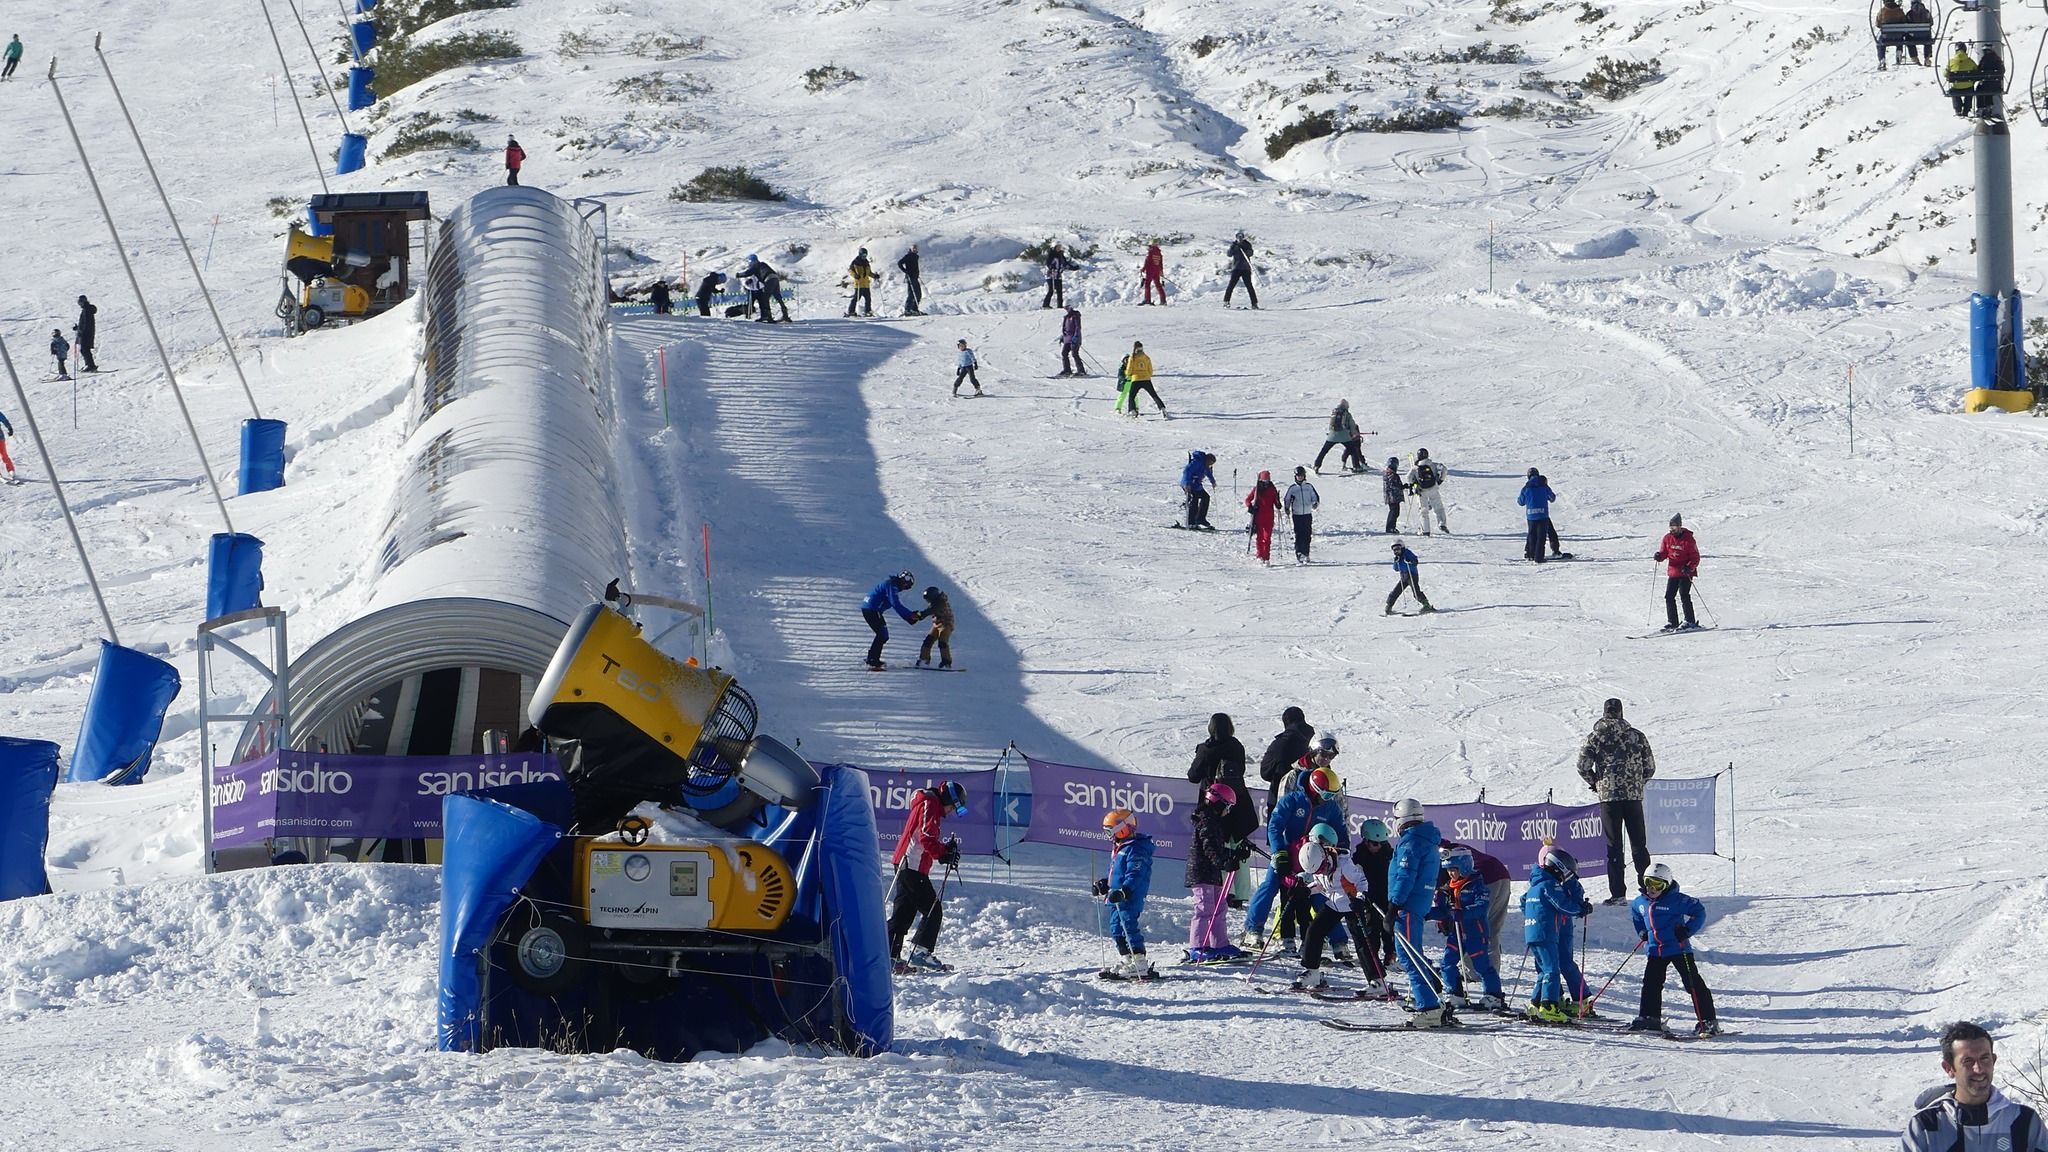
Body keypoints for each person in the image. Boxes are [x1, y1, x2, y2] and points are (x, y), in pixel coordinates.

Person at [1904, 1022, 2048, 1150]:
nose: (1978, 1069)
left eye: (1985, 1058)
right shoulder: (1925, 1126)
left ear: (1994, 1060)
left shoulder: (2024, 1122)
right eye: (1968, 1061)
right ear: (1949, 1068)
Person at [1578, 696, 1657, 904]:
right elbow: (1650, 766)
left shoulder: (1595, 737)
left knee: (1614, 846)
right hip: (1632, 797)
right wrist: (1638, 782)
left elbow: (1582, 765)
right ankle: (1648, 890)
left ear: (1604, 712)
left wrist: (1595, 782)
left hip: (1608, 798)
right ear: (1621, 712)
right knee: (1639, 845)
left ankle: (1618, 894)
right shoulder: (1636, 736)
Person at [1627, 862, 1719, 1035]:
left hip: (1678, 948)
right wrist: (1642, 932)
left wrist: (1687, 930)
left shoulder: (1677, 900)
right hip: (1655, 950)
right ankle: (1649, 1017)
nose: (1652, 889)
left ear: (1667, 885)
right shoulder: (1640, 902)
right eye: (1648, 883)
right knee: (1651, 984)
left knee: (1692, 983)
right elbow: (1636, 915)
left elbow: (1699, 911)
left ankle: (1707, 1021)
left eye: (1657, 885)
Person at [1293, 824, 1386, 993]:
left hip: (1351, 903)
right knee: (1314, 931)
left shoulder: (1344, 863)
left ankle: (1378, 981)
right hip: (1334, 904)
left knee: (1362, 943)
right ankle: (1313, 972)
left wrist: (1359, 899)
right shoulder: (1316, 860)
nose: (1321, 871)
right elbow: (1322, 885)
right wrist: (1307, 890)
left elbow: (1362, 882)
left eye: (1322, 868)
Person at [888, 780, 967, 972]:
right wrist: (943, 854)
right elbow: (926, 836)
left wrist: (944, 849)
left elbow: (925, 837)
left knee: (904, 913)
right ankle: (920, 952)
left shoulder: (929, 804)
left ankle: (889, 955)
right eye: (952, 807)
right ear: (948, 799)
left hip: (910, 864)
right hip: (911, 864)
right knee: (933, 909)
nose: (949, 812)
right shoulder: (930, 804)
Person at [1386, 798, 1447, 1027]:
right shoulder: (1426, 839)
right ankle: (1430, 997)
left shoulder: (1411, 842)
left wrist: (1394, 905)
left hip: (1408, 906)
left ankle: (1429, 1007)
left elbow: (1405, 875)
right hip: (1417, 905)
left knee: (1409, 956)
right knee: (1414, 953)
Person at [1430, 846, 1506, 1011]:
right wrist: (1425, 913)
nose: (1451, 874)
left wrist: (1463, 912)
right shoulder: (1447, 888)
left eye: (1454, 870)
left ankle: (1493, 996)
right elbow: (1444, 911)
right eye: (1448, 870)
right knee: (1447, 963)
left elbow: (1481, 906)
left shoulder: (1477, 884)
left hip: (1475, 932)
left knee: (1481, 965)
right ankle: (1455, 993)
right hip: (1455, 932)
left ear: (1464, 866)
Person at [1520, 844, 1590, 1022]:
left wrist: (1534, 916)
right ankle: (1549, 1006)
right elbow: (1562, 905)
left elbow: (1525, 903)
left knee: (1545, 970)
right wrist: (1580, 909)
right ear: (1558, 867)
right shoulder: (1549, 885)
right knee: (1552, 970)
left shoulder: (1536, 885)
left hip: (1535, 932)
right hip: (1546, 932)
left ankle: (1536, 1003)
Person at [1183, 782, 1249, 963]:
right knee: (1204, 908)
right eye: (1227, 806)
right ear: (1217, 802)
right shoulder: (1206, 820)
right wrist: (1224, 861)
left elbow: (1217, 848)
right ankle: (1197, 946)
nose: (1228, 811)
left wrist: (1233, 854)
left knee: (1219, 908)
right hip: (1202, 872)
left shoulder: (1214, 821)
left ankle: (1219, 944)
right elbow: (1209, 848)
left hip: (1213, 871)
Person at [1094, 807, 1157, 979]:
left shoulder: (1136, 849)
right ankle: (1127, 959)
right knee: (1115, 928)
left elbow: (1135, 873)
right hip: (1116, 895)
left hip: (1130, 895)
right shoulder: (1120, 846)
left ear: (1122, 829)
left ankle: (1139, 961)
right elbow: (1116, 872)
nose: (1109, 837)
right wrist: (1105, 885)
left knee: (1128, 925)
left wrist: (1125, 890)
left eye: (1110, 832)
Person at [1441, 840, 1513, 978]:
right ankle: (1491, 970)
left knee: (1472, 925)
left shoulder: (1446, 858)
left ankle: (1472, 971)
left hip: (1485, 880)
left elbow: (1446, 887)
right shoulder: (1456, 849)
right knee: (1492, 927)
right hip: (1502, 874)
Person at [1351, 818, 1397, 979]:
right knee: (1372, 928)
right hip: (1369, 898)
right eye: (1374, 843)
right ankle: (1373, 957)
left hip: (1387, 895)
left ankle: (1390, 954)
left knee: (1388, 927)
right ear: (1365, 841)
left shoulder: (1389, 854)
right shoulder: (1359, 857)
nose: (1378, 847)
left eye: (1381, 843)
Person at [860, 570, 919, 670]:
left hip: (872, 609)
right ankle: (872, 660)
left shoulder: (892, 585)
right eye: (906, 585)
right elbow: (895, 604)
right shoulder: (892, 585)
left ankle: (872, 659)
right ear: (903, 581)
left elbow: (893, 603)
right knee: (882, 635)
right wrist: (909, 616)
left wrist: (909, 616)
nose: (904, 588)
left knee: (883, 635)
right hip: (872, 609)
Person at [1654, 513, 1701, 631]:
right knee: (1669, 596)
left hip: (1686, 572)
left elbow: (1695, 557)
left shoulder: (1688, 539)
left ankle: (1690, 621)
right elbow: (1665, 552)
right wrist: (1659, 556)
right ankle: (1673, 621)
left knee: (1684, 595)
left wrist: (1690, 567)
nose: (1672, 530)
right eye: (1670, 528)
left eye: (1674, 528)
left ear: (1680, 527)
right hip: (1673, 572)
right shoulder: (1667, 538)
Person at [1386, 538, 1436, 615]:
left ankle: (1426, 605)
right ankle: (1388, 606)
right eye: (1394, 550)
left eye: (1398, 549)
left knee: (1416, 592)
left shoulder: (1407, 552)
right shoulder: (1397, 558)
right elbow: (1396, 569)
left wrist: (1411, 561)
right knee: (1396, 591)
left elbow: (1415, 560)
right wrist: (1396, 562)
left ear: (1402, 547)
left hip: (1412, 574)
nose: (1396, 551)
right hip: (1404, 576)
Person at [1518, 468, 1556, 562]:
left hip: (1531, 516)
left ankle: (1530, 555)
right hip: (1543, 515)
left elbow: (1520, 502)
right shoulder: (1544, 486)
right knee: (1541, 537)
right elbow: (1552, 498)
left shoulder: (1526, 488)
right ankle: (1539, 558)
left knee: (1532, 535)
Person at [1314, 400, 1363, 474]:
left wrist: (1330, 433)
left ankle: (1317, 465)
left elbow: (1331, 424)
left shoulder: (1334, 412)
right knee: (1353, 451)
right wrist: (1353, 433)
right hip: (1344, 436)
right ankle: (1356, 467)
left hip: (1332, 436)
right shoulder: (1347, 414)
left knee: (1324, 451)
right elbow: (1352, 425)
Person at [1408, 448, 1449, 535]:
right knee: (1438, 507)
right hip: (1433, 488)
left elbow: (1409, 477)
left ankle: (1425, 530)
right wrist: (1440, 480)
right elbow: (1444, 469)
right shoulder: (1433, 465)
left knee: (1423, 511)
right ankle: (1442, 524)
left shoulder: (1415, 467)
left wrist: (1414, 484)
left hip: (1422, 491)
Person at [1283, 466, 1319, 564]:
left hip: (1307, 513)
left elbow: (1314, 496)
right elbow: (1287, 499)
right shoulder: (1293, 488)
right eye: (1298, 476)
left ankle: (1306, 553)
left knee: (1307, 534)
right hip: (1297, 514)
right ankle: (1299, 553)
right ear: (1295, 476)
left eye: (1302, 476)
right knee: (1299, 534)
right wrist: (1287, 508)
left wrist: (1315, 503)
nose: (1300, 477)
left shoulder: (1308, 486)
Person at [1245, 470, 1281, 565]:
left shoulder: (1272, 489)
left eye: (1267, 480)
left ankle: (1266, 557)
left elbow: (1276, 502)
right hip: (1259, 516)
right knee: (1260, 537)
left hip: (1269, 517)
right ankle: (1260, 555)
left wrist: (1278, 503)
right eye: (1264, 480)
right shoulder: (1257, 490)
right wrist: (1250, 506)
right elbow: (1248, 499)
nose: (1266, 483)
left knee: (1267, 538)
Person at [914, 585, 954, 669]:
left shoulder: (941, 602)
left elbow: (931, 610)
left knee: (942, 641)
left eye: (928, 598)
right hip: (937, 624)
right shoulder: (935, 602)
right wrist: (918, 615)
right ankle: (924, 660)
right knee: (928, 641)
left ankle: (946, 662)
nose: (928, 601)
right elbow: (930, 609)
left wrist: (922, 615)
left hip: (946, 624)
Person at [1121, 341, 1164, 415]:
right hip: (1146, 379)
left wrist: (1128, 374)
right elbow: (1150, 370)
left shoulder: (1132, 358)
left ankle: (1132, 410)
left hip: (1136, 379)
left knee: (1132, 396)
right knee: (1154, 395)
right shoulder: (1146, 357)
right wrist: (1148, 375)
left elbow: (1129, 370)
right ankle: (1162, 408)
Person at [1180, 450, 1216, 528]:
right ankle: (1190, 522)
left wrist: (1213, 482)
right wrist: (1187, 484)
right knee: (1194, 500)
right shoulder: (1197, 462)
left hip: (1196, 485)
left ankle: (1200, 519)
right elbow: (1187, 471)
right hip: (1188, 484)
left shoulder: (1205, 465)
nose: (1210, 465)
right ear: (1207, 460)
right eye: (1210, 463)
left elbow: (1208, 473)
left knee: (1206, 497)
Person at [1224, 230, 1258, 309]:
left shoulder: (1247, 244)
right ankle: (1226, 302)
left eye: (1241, 236)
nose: (1240, 238)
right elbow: (1229, 254)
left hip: (1246, 268)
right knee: (1231, 285)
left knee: (1249, 286)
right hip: (1236, 268)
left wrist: (1245, 249)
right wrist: (1236, 248)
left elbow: (1251, 253)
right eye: (1238, 236)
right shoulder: (1234, 244)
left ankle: (1254, 303)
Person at [1947, 43, 1978, 116]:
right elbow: (1976, 70)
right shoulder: (1970, 61)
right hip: (1968, 87)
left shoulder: (1951, 61)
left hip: (1956, 87)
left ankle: (1958, 109)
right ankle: (1966, 110)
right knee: (1970, 90)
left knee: (1954, 91)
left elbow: (1946, 73)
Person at [1875, 0, 1908, 68]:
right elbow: (1905, 22)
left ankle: (1882, 59)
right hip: (1898, 37)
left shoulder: (1882, 11)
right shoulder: (1899, 11)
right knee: (1900, 38)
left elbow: (1878, 24)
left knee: (1880, 42)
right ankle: (1899, 52)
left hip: (1886, 37)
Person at [846, 248, 876, 317]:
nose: (864, 256)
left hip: (866, 284)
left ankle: (868, 311)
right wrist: (855, 275)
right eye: (863, 254)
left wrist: (874, 276)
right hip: (859, 284)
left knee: (868, 299)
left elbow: (869, 273)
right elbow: (850, 270)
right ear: (860, 254)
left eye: (865, 255)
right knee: (856, 298)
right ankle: (851, 311)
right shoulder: (855, 262)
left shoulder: (866, 262)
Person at [1976, 45, 2004, 116]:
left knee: (1980, 89)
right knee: (1989, 90)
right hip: (1996, 85)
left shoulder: (1984, 60)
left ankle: (1981, 107)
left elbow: (1979, 70)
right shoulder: (1997, 59)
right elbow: (2002, 70)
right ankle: (1989, 106)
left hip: (1986, 84)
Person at [73, 296, 97, 374]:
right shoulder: (86, 309)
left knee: (84, 349)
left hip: (86, 334)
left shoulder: (86, 310)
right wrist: (78, 327)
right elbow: (84, 323)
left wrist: (81, 330)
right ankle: (89, 365)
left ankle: (90, 365)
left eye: (80, 302)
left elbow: (86, 323)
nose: (79, 304)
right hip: (86, 333)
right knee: (84, 349)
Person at [897, 244, 924, 315]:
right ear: (911, 249)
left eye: (916, 248)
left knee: (918, 293)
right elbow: (899, 263)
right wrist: (906, 271)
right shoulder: (908, 256)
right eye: (913, 248)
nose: (915, 250)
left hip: (915, 277)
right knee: (911, 294)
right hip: (910, 277)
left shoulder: (915, 256)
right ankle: (907, 309)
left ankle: (914, 309)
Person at [1380, 456, 1405, 533]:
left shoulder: (1388, 473)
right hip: (1393, 496)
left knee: (1394, 511)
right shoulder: (1392, 474)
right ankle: (1390, 528)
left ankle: (1391, 527)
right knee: (1394, 512)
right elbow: (1393, 484)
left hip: (1391, 496)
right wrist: (1402, 486)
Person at [1058, 306, 1084, 376]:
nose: (1067, 309)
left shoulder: (1075, 316)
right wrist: (1063, 337)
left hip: (1075, 339)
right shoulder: (1066, 317)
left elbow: (1078, 327)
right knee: (1064, 353)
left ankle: (1081, 371)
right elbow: (1065, 328)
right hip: (1067, 339)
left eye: (1068, 307)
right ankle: (1067, 370)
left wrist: (1076, 336)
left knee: (1074, 353)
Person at [1042, 243, 1069, 309]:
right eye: (1057, 247)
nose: (1059, 248)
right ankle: (1045, 305)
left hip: (1058, 275)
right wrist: (1051, 267)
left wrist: (1072, 267)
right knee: (1051, 290)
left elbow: (1064, 263)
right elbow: (1048, 263)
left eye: (1060, 247)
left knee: (1059, 290)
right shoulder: (1051, 255)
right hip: (1051, 275)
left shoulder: (1061, 255)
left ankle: (1060, 305)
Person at [1905, 0, 1933, 65]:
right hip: (1925, 36)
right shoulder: (1926, 12)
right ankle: (1927, 58)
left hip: (1913, 37)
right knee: (1928, 37)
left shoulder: (1909, 13)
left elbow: (1906, 24)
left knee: (1908, 38)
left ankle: (1914, 57)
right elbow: (1931, 23)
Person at [0, 408, 15, 482]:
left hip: (0, 438)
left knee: (4, 455)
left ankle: (11, 470)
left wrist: (10, 428)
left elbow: (4, 420)